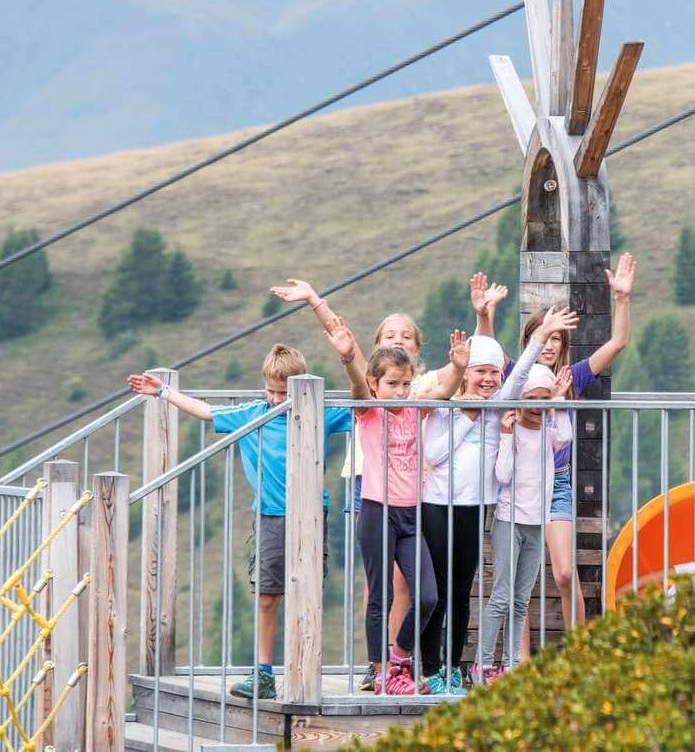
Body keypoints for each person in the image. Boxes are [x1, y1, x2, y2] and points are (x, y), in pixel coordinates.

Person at [270, 279, 471, 685]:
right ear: (377, 384)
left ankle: (399, 657)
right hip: (377, 510)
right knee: (378, 596)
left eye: (403, 383)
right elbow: (359, 383)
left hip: (411, 513)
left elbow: (448, 389)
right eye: (390, 384)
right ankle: (381, 673)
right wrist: (346, 357)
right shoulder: (370, 410)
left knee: (427, 595)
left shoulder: (417, 406)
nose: (397, 390)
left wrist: (461, 366)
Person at [127, 343, 352, 702]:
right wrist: (164, 392)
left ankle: (303, 668)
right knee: (267, 594)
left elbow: (362, 409)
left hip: (310, 514)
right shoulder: (254, 414)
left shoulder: (319, 412)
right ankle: (263, 671)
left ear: (299, 388)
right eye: (272, 390)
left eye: (285, 392)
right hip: (270, 514)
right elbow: (206, 413)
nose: (278, 399)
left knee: (305, 594)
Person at [474, 254, 637, 658]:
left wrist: (621, 299)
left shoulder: (573, 377)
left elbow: (616, 344)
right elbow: (490, 355)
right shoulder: (519, 372)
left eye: (556, 340)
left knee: (564, 573)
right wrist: (484, 315)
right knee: (517, 583)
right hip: (518, 481)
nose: (549, 346)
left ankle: (579, 654)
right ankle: (520, 661)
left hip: (556, 483)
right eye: (544, 338)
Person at [416, 330, 507, 696]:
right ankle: (430, 668)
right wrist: (466, 416)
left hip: (474, 506)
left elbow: (521, 377)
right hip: (438, 503)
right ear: (465, 374)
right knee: (435, 590)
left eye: (493, 373)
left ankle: (454, 666)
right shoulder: (446, 406)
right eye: (479, 371)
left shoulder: (500, 407)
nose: (486, 380)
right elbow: (434, 454)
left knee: (461, 591)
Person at [473, 361, 572, 683]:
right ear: (519, 400)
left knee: (521, 599)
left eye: (543, 401)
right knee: (502, 595)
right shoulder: (514, 433)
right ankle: (483, 664)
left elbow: (567, 437)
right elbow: (502, 474)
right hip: (510, 521)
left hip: (535, 524)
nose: (537, 408)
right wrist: (504, 434)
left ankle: (511, 663)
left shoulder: (550, 432)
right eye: (532, 400)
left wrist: (557, 401)